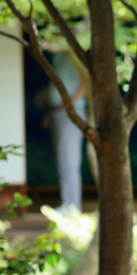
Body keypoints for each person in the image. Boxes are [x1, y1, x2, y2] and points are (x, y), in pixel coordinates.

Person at [40, 51, 87, 213]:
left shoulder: (75, 56)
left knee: (69, 159)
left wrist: (68, 103)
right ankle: (69, 203)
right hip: (58, 112)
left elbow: (86, 83)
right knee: (63, 159)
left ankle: (72, 206)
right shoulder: (58, 56)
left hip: (72, 110)